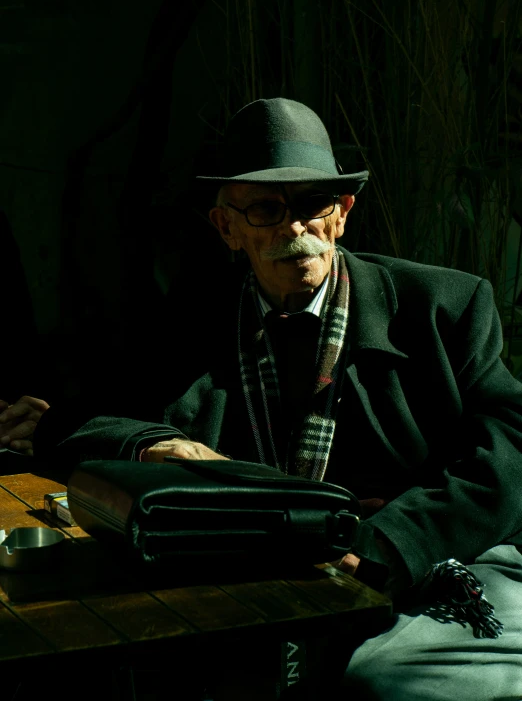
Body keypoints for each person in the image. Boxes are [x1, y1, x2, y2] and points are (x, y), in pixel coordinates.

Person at [30, 98, 522, 699]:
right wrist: (159, 444)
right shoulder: (188, 325)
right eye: (266, 208)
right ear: (227, 228)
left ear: (341, 213)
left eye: (313, 204)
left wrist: (384, 544)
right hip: (266, 577)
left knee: (391, 685)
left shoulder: (443, 307)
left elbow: (509, 449)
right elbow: (87, 418)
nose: (295, 228)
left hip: (441, 562)